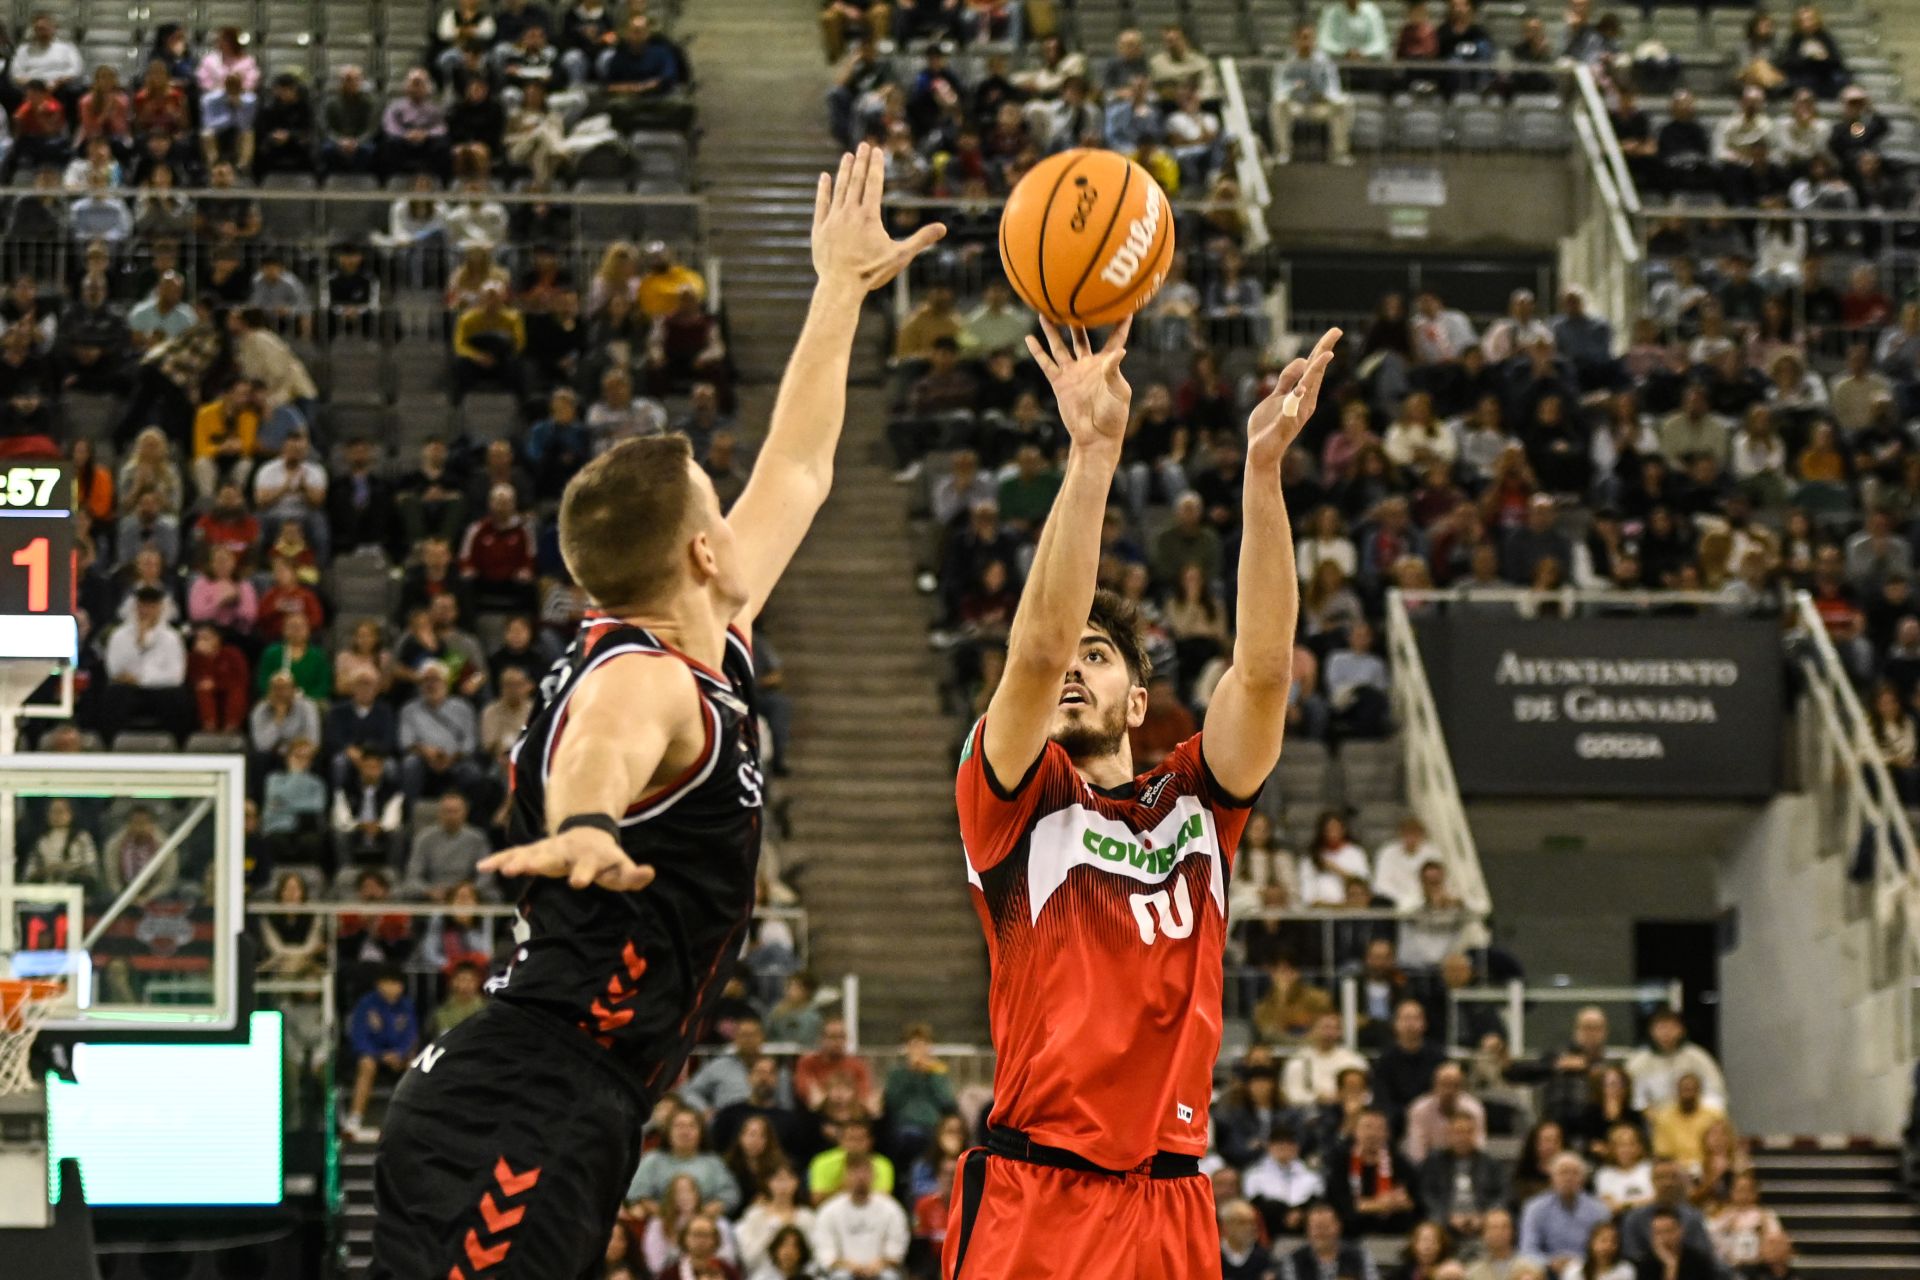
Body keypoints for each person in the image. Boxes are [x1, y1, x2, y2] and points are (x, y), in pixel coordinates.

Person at [367, 146, 942, 1279]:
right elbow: (600, 751)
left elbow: (804, 467)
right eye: (718, 505)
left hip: (560, 1095)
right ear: (698, 547)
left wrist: (838, 290)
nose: (740, 512)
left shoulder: (699, 638)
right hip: (526, 1097)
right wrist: (587, 825)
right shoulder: (645, 676)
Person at [939, 271, 1338, 1268]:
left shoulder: (1196, 803)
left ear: (1134, 700)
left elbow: (1261, 671)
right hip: (1039, 1187)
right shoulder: (1016, 801)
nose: (1073, 661)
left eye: (1100, 652)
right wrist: (1094, 455)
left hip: (1172, 1196)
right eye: (1070, 645)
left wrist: (1262, 474)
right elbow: (1031, 656)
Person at [345, 966, 419, 1138]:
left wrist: (400, 1053)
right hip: (371, 1054)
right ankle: (355, 1119)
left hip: (397, 1055)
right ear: (379, 984)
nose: (392, 988)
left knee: (414, 1065)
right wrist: (379, 1055)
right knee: (367, 1065)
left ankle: (410, 1120)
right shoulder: (366, 1004)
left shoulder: (406, 1005)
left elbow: (411, 1036)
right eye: (388, 983)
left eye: (396, 984)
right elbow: (359, 1036)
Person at [1419, 1111, 1506, 1246]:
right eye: (1458, 1132)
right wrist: (1448, 1216)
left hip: (1481, 1219)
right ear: (1448, 1135)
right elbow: (1427, 1195)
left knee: (1499, 1222)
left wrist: (1485, 1216)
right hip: (1445, 1220)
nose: (1463, 1137)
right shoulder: (1434, 1163)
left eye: (1468, 1132)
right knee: (1432, 1223)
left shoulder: (1490, 1163)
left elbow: (1503, 1194)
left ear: (1475, 1135)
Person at [1271, 23, 1353, 166]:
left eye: (1310, 38)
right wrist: (1294, 87)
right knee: (1278, 104)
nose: (1307, 42)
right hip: (1296, 106)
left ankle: (1339, 153)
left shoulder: (1324, 61)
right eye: (1303, 38)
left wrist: (1324, 94)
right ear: (1295, 40)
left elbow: (1334, 86)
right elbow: (1278, 88)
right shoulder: (1286, 62)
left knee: (1345, 104)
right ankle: (1283, 151)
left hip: (1320, 106)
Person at [813, 1158, 907, 1280]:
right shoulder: (828, 1210)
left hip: (881, 1270)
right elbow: (825, 1253)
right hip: (842, 1271)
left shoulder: (891, 1209)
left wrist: (880, 1263)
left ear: (874, 1175)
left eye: (865, 1172)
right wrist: (848, 1265)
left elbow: (896, 1248)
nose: (860, 1177)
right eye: (854, 1172)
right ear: (845, 1176)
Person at [1518, 1154, 1612, 1274]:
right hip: (1547, 1271)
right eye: (1563, 1172)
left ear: (1583, 1178)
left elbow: (1606, 1248)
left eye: (1574, 1173)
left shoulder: (1600, 1210)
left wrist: (1577, 1264)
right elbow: (1528, 1249)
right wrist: (1549, 1262)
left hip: (1588, 1271)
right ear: (1552, 1177)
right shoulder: (1535, 1208)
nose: (1568, 1178)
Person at [1281, 1201, 1379, 1280]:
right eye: (1317, 1227)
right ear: (1307, 1230)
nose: (1322, 1233)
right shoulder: (1294, 1261)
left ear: (1338, 1227)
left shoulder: (1360, 1257)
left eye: (1326, 1227)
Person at [1634, 1207, 1718, 1280]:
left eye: (1669, 1231)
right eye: (1658, 1233)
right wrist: (1671, 1266)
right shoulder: (1646, 1265)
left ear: (1680, 1231)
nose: (1665, 1237)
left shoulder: (1698, 1260)